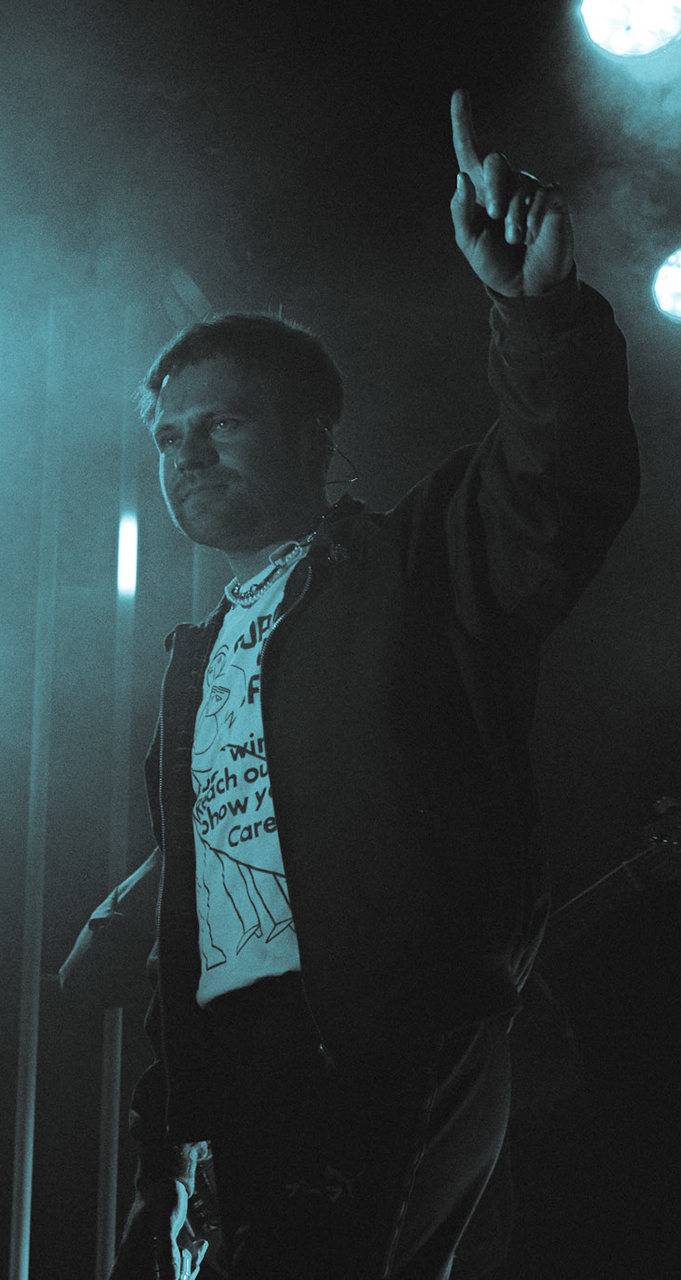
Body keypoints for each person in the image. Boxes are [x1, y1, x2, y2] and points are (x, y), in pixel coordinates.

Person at [112, 91, 640, 1280]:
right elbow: (196, 919)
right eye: (170, 436)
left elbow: (554, 492)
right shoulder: (197, 663)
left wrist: (538, 312)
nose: (188, 453)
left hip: (384, 1050)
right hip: (225, 1093)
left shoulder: (412, 569)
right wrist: (167, 1119)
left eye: (223, 423)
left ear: (314, 436)